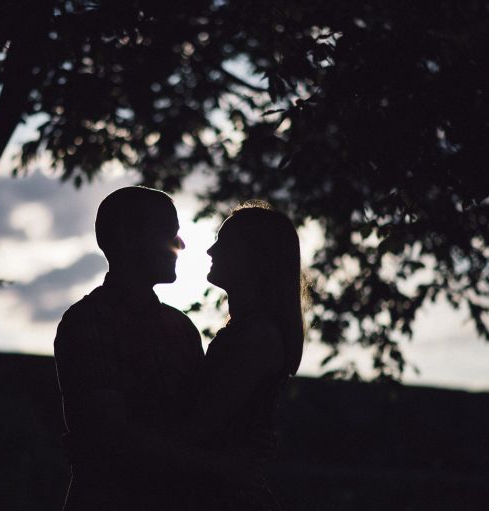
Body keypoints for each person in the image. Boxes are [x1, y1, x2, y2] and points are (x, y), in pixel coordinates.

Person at [53, 186, 206, 510]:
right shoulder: (88, 321)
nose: (180, 244)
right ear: (126, 237)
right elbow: (111, 434)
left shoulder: (181, 328)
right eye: (167, 232)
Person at [176, 201, 305, 510]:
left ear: (254, 257)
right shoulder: (249, 332)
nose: (210, 251)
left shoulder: (256, 337)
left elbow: (199, 427)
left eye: (224, 242)